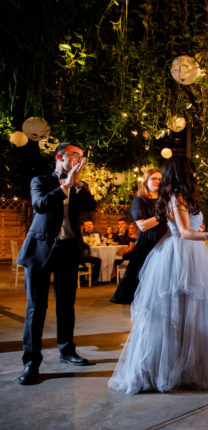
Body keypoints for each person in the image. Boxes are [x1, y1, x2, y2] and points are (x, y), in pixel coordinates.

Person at [108, 156, 208, 393]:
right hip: (177, 254)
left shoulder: (185, 198)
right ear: (184, 175)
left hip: (192, 255)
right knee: (173, 309)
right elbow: (184, 232)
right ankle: (166, 367)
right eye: (192, 173)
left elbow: (190, 228)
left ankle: (191, 365)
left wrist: (201, 232)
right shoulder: (176, 198)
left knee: (193, 310)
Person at [15, 142, 96, 385]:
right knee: (35, 309)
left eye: (82, 157)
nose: (80, 160)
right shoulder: (40, 181)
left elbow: (91, 207)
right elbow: (40, 205)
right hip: (41, 250)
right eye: (76, 155)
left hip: (68, 250)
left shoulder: (80, 185)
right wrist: (65, 186)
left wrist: (77, 184)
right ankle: (31, 362)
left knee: (66, 306)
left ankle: (67, 350)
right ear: (61, 157)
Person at [110, 169, 168, 304]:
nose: (157, 182)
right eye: (154, 178)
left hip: (164, 243)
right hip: (147, 243)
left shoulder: (164, 201)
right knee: (141, 278)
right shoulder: (140, 201)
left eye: (160, 179)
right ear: (146, 181)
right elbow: (142, 226)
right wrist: (162, 216)